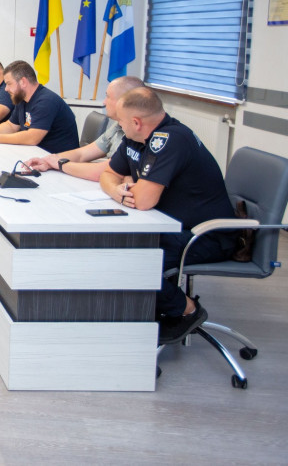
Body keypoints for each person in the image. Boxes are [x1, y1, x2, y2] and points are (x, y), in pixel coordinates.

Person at [99, 87, 236, 344]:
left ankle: (187, 310)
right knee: (114, 246)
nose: (119, 126)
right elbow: (107, 174)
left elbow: (143, 200)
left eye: (121, 122)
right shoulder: (136, 137)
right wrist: (118, 191)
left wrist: (126, 188)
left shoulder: (170, 139)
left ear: (136, 122)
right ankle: (142, 314)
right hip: (170, 225)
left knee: (128, 257)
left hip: (206, 236)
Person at [25, 76, 144, 180]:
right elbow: (82, 153)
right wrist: (48, 161)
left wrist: (60, 164)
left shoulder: (137, 133)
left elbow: (105, 170)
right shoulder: (118, 126)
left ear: (124, 101)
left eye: (108, 97)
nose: (104, 102)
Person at [0, 60, 78, 154]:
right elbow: (11, 126)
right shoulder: (21, 99)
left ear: (23, 82)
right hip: (39, 155)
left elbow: (32, 138)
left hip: (60, 161)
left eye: (9, 84)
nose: (6, 89)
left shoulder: (46, 101)